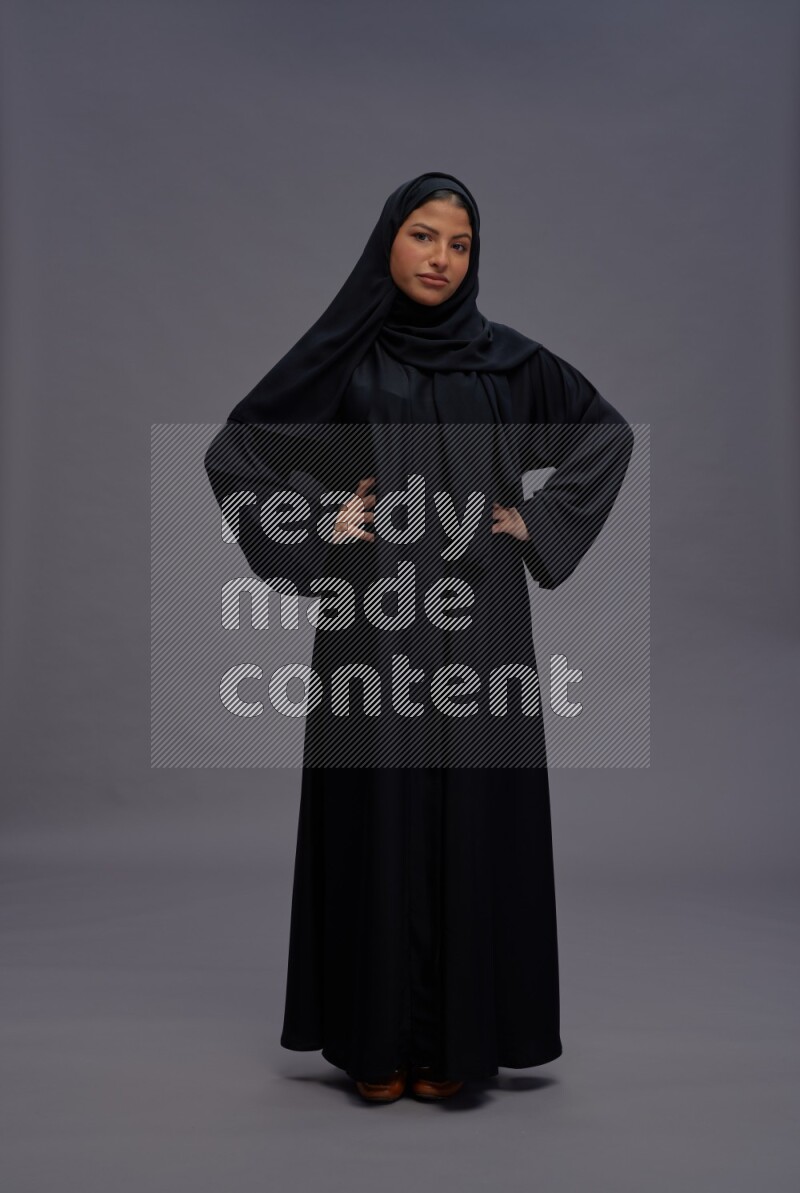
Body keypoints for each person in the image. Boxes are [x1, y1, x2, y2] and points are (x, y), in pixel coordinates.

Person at [204, 171, 634, 1104]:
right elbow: (238, 453)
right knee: (378, 814)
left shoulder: (508, 364)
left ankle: (456, 1046)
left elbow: (603, 435)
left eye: (460, 243)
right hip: (374, 632)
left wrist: (534, 520)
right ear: (386, 242)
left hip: (482, 633)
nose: (441, 258)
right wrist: (323, 520)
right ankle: (379, 1043)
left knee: (474, 816)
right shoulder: (340, 361)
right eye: (424, 236)